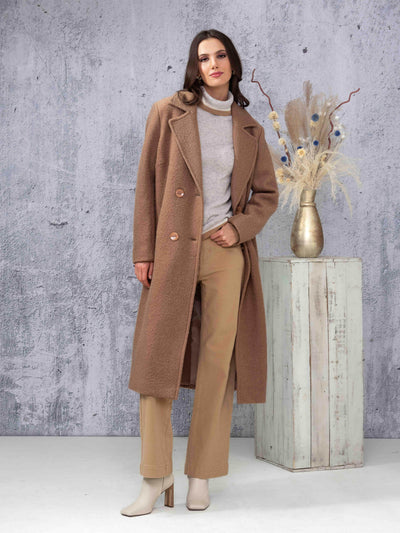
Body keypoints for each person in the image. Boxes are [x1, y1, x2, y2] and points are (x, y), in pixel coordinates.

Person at [121, 28, 279, 517]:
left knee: (217, 363)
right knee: (156, 359)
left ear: (232, 64)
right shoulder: (167, 112)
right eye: (204, 57)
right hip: (170, 251)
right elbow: (147, 183)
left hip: (223, 253)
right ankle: (155, 475)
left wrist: (238, 227)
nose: (213, 64)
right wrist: (143, 249)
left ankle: (201, 475)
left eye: (221, 55)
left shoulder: (249, 128)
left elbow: (266, 195)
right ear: (195, 66)